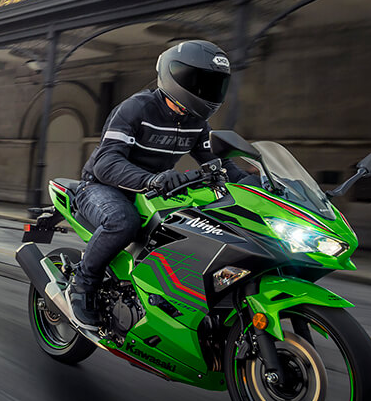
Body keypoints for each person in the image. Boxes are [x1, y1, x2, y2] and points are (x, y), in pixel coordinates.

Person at [69, 40, 250, 328]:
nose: (209, 91)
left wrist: (261, 183)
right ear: (175, 76)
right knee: (123, 222)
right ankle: (83, 283)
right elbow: (107, 162)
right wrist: (150, 179)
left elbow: (220, 163)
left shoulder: (196, 123)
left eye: (215, 84)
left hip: (156, 191)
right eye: (202, 82)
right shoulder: (135, 109)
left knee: (193, 228)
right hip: (102, 188)